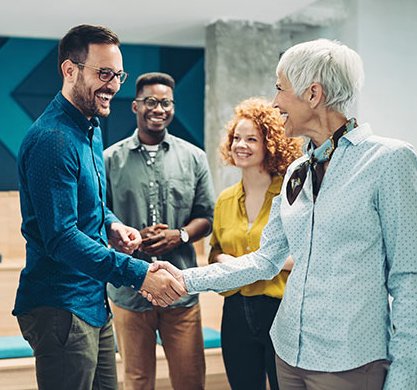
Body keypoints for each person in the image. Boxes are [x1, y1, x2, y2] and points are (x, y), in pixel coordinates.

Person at [145, 38, 417, 390]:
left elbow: (409, 277)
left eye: (280, 89)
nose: (274, 102)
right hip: (288, 354)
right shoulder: (297, 171)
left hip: (349, 361)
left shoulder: (389, 161)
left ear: (313, 94)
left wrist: (405, 377)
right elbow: (264, 260)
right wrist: (185, 278)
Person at [12, 24, 186, 390]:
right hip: (61, 306)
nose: (113, 85)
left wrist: (111, 224)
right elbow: (61, 238)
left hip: (93, 298)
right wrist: (138, 273)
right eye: (103, 73)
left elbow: (90, 207)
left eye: (117, 74)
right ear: (70, 70)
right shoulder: (53, 139)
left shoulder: (89, 129)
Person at [104, 72, 215, 390]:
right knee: (137, 381)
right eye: (151, 101)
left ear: (173, 107)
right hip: (130, 289)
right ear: (135, 106)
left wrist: (178, 235)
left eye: (166, 102)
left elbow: (205, 216)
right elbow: (99, 215)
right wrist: (131, 235)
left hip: (180, 288)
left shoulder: (194, 157)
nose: (159, 108)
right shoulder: (110, 160)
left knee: (190, 378)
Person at [211, 97, 302, 390]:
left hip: (280, 310)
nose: (240, 145)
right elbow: (215, 252)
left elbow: (304, 255)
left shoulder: (292, 196)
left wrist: (252, 264)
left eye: (252, 139)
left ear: (271, 144)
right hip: (236, 310)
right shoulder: (225, 199)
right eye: (236, 138)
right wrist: (231, 262)